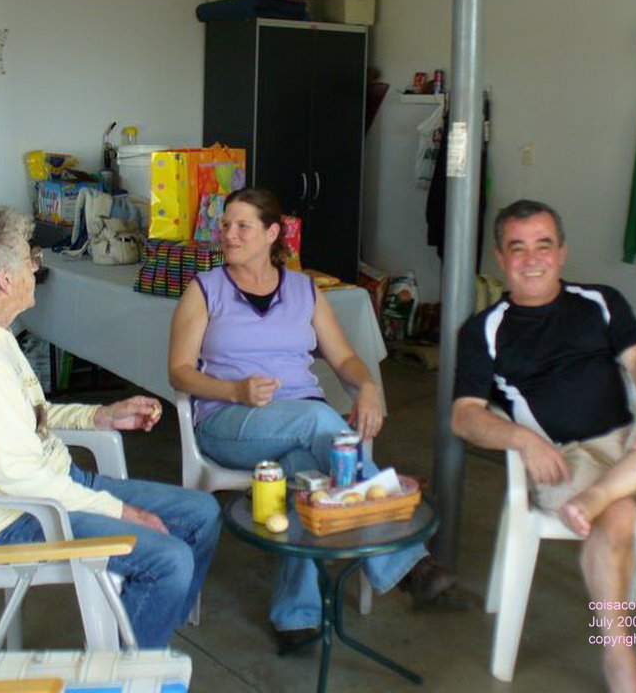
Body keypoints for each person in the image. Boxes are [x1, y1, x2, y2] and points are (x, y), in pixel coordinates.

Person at [0, 205, 221, 649]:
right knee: (169, 559)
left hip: (53, 487)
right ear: (5, 280)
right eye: (30, 259)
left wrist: (99, 416)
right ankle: (128, 670)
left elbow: (29, 415)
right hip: (15, 518)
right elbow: (20, 478)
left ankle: (143, 638)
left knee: (201, 514)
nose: (35, 268)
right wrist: (120, 511)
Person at [168, 187, 457, 651]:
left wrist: (368, 387)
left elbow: (345, 359)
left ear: (272, 233)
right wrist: (234, 390)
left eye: (242, 226)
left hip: (300, 424)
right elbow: (179, 371)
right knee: (321, 424)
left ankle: (295, 618)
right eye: (225, 225)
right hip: (229, 420)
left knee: (308, 475)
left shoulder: (304, 290)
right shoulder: (204, 290)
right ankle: (407, 561)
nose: (228, 234)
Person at [451, 199, 636, 693]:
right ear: (501, 258)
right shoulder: (484, 329)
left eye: (543, 245)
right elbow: (464, 415)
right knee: (620, 515)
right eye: (518, 248)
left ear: (562, 252)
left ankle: (601, 495)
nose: (532, 259)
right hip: (570, 457)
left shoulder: (600, 300)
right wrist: (522, 439)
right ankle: (619, 659)